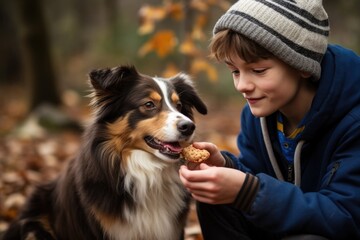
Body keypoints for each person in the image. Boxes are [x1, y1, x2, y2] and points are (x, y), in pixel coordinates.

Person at [179, 0, 360, 239]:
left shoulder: (353, 122)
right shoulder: (258, 114)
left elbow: (346, 218)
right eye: (235, 71)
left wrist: (249, 192)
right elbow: (256, 176)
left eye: (258, 71)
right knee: (217, 200)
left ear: (302, 65)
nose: (242, 85)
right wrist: (226, 167)